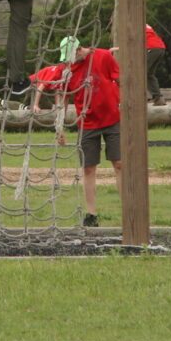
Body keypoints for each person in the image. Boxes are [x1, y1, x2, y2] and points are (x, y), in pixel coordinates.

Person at [54, 37, 121, 227]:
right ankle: (91, 214)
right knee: (88, 167)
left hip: (112, 117)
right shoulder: (67, 70)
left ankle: (127, 208)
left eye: (71, 56)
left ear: (79, 49)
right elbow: (63, 99)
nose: (70, 61)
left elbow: (119, 79)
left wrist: (123, 102)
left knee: (119, 163)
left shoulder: (103, 56)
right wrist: (60, 127)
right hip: (87, 122)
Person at [145, 24, 167, 106]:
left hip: (151, 47)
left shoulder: (133, 22)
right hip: (160, 47)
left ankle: (135, 99)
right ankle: (158, 99)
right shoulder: (145, 24)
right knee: (148, 74)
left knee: (140, 73)